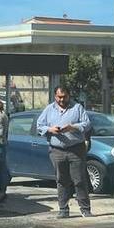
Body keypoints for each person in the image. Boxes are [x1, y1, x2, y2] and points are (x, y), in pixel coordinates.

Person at [36, 87, 93, 218]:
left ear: (69, 95)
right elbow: (39, 126)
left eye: (64, 97)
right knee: (61, 180)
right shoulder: (49, 109)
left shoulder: (77, 108)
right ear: (55, 96)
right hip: (57, 150)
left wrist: (72, 127)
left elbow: (87, 124)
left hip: (76, 149)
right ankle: (63, 209)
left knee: (79, 180)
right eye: (59, 97)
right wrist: (50, 129)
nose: (61, 100)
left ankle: (85, 209)